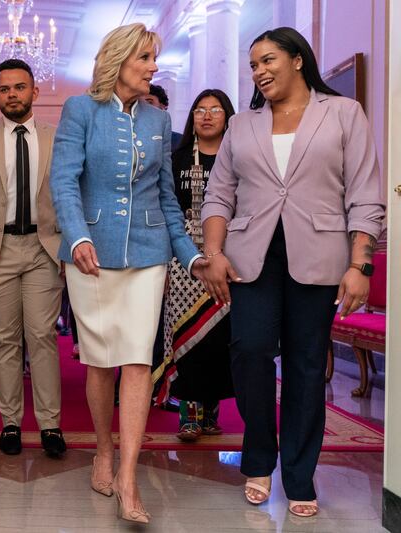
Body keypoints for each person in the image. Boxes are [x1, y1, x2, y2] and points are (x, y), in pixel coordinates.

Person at [200, 27, 385, 518]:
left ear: (298, 59)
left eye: (267, 60)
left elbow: (364, 194)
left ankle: (300, 475)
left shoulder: (344, 114)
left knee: (306, 365)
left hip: (320, 256)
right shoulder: (242, 126)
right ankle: (259, 456)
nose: (259, 71)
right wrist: (213, 251)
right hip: (250, 256)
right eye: (253, 65)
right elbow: (219, 194)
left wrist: (359, 264)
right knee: (250, 351)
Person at [50, 23, 206, 523]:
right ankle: (102, 449)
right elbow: (64, 181)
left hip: (148, 253)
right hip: (89, 254)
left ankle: (129, 474)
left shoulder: (160, 121)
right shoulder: (80, 110)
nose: (154, 66)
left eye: (154, 58)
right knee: (100, 360)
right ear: (119, 60)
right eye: (145, 57)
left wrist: (191, 256)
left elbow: (166, 198)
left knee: (137, 358)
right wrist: (77, 237)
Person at [0, 59, 66, 457]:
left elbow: (70, 196)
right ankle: (10, 424)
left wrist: (69, 246)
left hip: (43, 248)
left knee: (42, 336)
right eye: (4, 89)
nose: (12, 95)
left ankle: (50, 424)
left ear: (35, 92)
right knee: (4, 340)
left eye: (20, 88)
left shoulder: (59, 138)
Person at [153, 89, 237, 442]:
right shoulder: (175, 160)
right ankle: (188, 414)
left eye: (215, 110)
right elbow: (164, 212)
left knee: (219, 338)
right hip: (182, 255)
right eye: (200, 110)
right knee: (186, 336)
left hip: (228, 252)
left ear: (227, 116)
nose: (206, 116)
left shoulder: (239, 158)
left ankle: (211, 412)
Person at [143, 83, 183, 149]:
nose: (144, 107)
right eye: (140, 104)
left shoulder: (179, 141)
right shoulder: (131, 138)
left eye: (150, 102)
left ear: (163, 107)